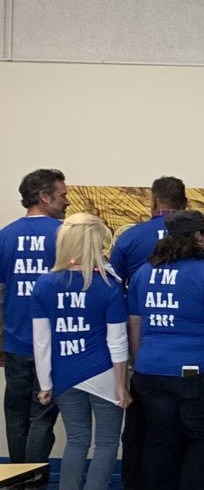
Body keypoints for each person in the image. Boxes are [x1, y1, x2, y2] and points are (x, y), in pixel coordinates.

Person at [127, 210, 204, 489]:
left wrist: (138, 362)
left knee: (161, 440)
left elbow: (135, 325)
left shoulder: (144, 273)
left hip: (150, 371)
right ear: (198, 237)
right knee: (203, 442)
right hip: (201, 372)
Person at [30, 213, 127, 490]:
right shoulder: (109, 284)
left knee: (76, 440)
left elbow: (42, 341)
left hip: (64, 374)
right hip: (104, 372)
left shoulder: (44, 283)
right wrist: (122, 385)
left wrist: (45, 383)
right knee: (107, 442)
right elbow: (117, 340)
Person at [0, 169, 67, 477]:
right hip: (52, 346)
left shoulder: (5, 235)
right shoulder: (65, 235)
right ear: (44, 197)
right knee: (41, 417)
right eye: (62, 195)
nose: (66, 201)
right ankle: (33, 480)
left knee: (16, 416)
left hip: (14, 344)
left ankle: (16, 479)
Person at [110, 176, 204, 281]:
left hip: (143, 306)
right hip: (193, 306)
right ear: (185, 203)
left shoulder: (129, 237)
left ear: (153, 202)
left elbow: (113, 285)